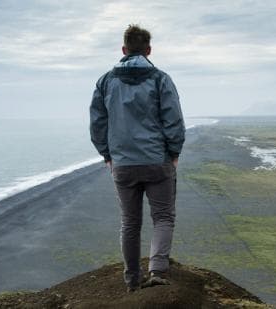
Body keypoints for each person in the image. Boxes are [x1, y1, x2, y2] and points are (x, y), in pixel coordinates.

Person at [89, 24, 185, 292]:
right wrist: (174, 152)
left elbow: (98, 123)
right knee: (163, 217)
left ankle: (132, 281)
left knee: (130, 223)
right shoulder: (160, 79)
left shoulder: (106, 81)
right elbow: (173, 119)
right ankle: (157, 270)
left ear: (123, 49)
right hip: (157, 161)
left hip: (122, 164)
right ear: (149, 50)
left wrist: (107, 155)